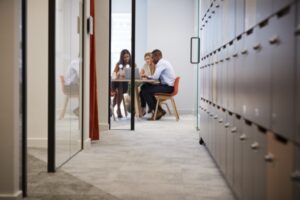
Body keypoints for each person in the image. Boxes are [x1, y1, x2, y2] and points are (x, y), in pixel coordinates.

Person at [140, 49, 176, 120]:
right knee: (144, 87)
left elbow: (155, 77)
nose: (152, 59)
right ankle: (160, 110)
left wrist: (147, 77)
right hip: (167, 86)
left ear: (158, 56)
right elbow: (156, 77)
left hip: (168, 87)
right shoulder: (164, 62)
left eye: (153, 57)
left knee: (145, 90)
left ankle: (156, 112)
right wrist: (148, 77)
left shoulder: (161, 63)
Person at [111, 49, 133, 118]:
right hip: (117, 85)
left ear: (129, 56)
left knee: (119, 89)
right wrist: (118, 74)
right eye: (124, 57)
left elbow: (135, 75)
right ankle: (118, 109)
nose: (126, 58)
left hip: (126, 85)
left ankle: (111, 109)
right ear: (122, 58)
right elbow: (113, 75)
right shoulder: (119, 64)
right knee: (119, 85)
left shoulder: (132, 64)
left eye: (127, 56)